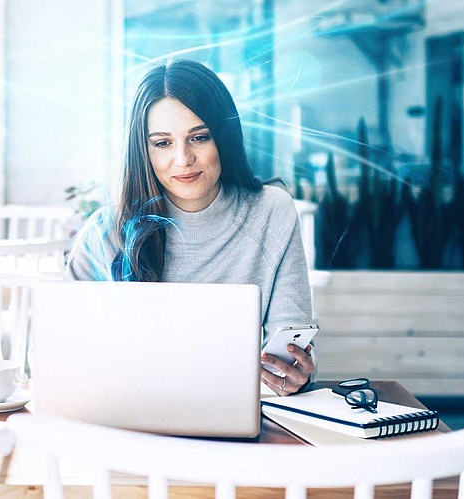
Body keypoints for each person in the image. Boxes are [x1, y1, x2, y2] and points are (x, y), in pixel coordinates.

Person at [65, 59, 314, 396]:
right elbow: (52, 352)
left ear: (223, 138)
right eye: (163, 143)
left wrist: (294, 375)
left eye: (199, 137)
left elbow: (290, 347)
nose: (183, 159)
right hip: (126, 413)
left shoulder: (272, 211)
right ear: (144, 150)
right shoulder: (107, 230)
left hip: (237, 416)